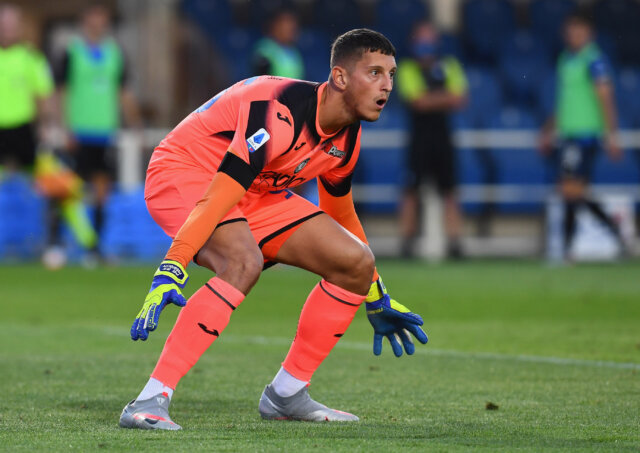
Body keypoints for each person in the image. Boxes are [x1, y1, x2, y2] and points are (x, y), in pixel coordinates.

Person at [119, 29, 428, 431]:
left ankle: (286, 394)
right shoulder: (277, 110)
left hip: (255, 190)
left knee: (355, 262)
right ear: (339, 78)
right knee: (241, 260)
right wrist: (172, 265)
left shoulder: (346, 138)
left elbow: (342, 219)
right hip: (186, 173)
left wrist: (374, 289)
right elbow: (217, 197)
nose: (387, 84)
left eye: (391, 73)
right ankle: (149, 400)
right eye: (374, 72)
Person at [55, 2, 140, 261]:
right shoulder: (72, 52)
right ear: (84, 19)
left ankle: (95, 247)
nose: (97, 20)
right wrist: (63, 126)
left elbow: (123, 91)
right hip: (78, 131)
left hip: (104, 132)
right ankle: (58, 243)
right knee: (68, 189)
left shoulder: (115, 53)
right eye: (93, 15)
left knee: (103, 188)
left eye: (101, 16)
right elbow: (62, 92)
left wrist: (133, 122)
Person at [539, 13, 625, 259]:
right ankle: (613, 230)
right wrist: (548, 129)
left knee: (569, 190)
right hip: (567, 133)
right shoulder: (566, 59)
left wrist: (612, 135)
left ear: (590, 34)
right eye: (570, 33)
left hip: (585, 135)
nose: (574, 37)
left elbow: (605, 96)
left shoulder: (595, 60)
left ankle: (567, 250)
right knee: (574, 191)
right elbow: (565, 102)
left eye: (579, 32)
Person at [396, 20, 468, 259]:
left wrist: (431, 99)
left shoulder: (449, 65)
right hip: (418, 139)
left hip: (443, 138)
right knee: (410, 191)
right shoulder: (406, 69)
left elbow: (461, 98)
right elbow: (417, 101)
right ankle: (406, 243)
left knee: (450, 191)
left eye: (429, 38)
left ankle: (455, 244)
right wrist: (444, 97)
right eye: (421, 38)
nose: (425, 44)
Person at [0, 3, 54, 174]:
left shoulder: (32, 58)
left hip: (23, 127)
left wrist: (45, 126)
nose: (7, 29)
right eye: (3, 25)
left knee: (27, 178)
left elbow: (43, 94)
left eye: (11, 25)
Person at [252, 9, 304, 79]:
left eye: (293, 24)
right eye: (286, 23)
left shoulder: (294, 51)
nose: (291, 27)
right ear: (274, 25)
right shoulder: (265, 49)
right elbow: (261, 80)